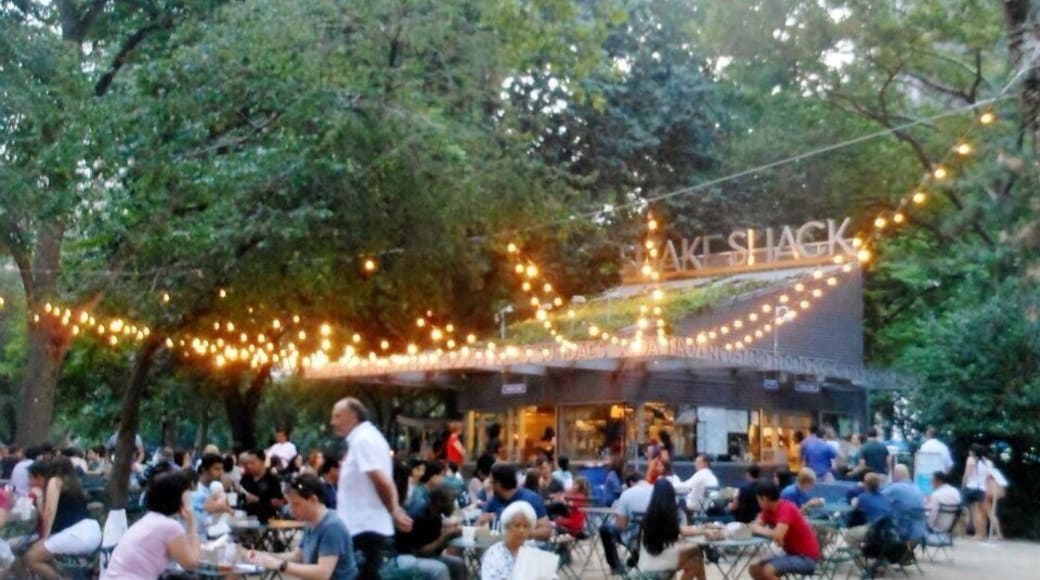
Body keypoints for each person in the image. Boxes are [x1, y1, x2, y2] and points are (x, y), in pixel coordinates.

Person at [331, 397, 412, 579]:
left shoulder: (363, 440)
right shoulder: (368, 438)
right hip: (364, 527)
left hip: (363, 529)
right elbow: (385, 480)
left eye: (337, 416)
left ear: (353, 416)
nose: (333, 422)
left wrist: (394, 510)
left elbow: (380, 479)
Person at [249, 474, 358, 579]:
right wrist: (265, 556)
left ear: (313, 500)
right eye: (290, 504)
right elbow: (298, 556)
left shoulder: (332, 527)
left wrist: (280, 565)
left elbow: (323, 573)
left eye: (296, 504)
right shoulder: (310, 522)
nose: (291, 510)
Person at [102, 470, 201, 578]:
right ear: (179, 498)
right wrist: (192, 523)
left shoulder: (150, 520)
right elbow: (191, 563)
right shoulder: (170, 527)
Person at [25, 458, 103, 580]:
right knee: (45, 556)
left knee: (31, 557)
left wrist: (44, 538)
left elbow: (50, 512)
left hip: (77, 533)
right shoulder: (74, 484)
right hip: (93, 531)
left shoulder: (55, 481)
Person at [748, 481, 820, 579]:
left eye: (758, 499)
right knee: (755, 568)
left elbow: (777, 535)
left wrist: (761, 530)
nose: (758, 502)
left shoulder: (786, 508)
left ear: (764, 499)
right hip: (791, 554)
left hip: (806, 558)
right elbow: (753, 526)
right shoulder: (768, 510)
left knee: (768, 570)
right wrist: (766, 531)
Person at [636, 479, 707, 579]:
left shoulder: (649, 514)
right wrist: (705, 531)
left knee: (696, 559)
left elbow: (679, 530)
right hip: (661, 561)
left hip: (647, 561)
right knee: (696, 556)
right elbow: (682, 531)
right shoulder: (669, 514)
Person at [395, 484, 466, 580]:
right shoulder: (419, 516)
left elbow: (436, 551)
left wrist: (451, 535)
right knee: (440, 569)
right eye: (451, 502)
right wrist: (445, 536)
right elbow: (420, 552)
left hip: (425, 556)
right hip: (406, 557)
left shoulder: (436, 516)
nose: (453, 506)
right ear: (439, 502)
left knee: (458, 563)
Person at [599, 471, 654, 574]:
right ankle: (633, 559)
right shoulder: (657, 490)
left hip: (634, 536)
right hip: (654, 536)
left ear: (631, 483)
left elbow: (621, 525)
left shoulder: (627, 494)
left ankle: (615, 565)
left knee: (605, 529)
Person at [479, 464, 552, 540]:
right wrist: (482, 523)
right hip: (498, 548)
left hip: (525, 548)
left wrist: (523, 533)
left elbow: (546, 531)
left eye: (491, 482)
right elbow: (477, 528)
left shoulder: (531, 499)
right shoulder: (493, 501)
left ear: (498, 484)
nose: (489, 485)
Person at [480, 500, 538, 580]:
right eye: (517, 525)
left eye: (526, 526)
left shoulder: (534, 552)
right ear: (506, 527)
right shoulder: (494, 554)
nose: (522, 531)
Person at [843, 473, 892, 547]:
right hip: (887, 531)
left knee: (848, 535)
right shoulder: (885, 498)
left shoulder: (863, 497)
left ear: (865, 484)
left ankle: (859, 557)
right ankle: (865, 554)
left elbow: (853, 506)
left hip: (873, 531)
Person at [191, 453, 233, 536]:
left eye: (222, 469)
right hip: (199, 533)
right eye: (217, 469)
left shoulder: (218, 486)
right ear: (204, 470)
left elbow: (229, 510)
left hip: (217, 532)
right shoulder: (195, 489)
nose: (221, 472)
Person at [883, 464, 927, 544]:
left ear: (896, 475)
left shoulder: (894, 488)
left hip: (902, 529)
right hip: (919, 530)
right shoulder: (918, 488)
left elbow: (878, 498)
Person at [240, 449, 286, 523]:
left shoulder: (272, 479)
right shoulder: (245, 479)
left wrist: (258, 500)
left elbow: (279, 502)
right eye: (247, 463)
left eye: (252, 463)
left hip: (266, 519)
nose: (249, 466)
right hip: (246, 518)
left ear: (262, 461)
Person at [961, 443, 992, 540]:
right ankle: (982, 533)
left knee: (974, 512)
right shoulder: (986, 462)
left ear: (973, 451)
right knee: (981, 512)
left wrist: (963, 484)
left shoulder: (971, 460)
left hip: (972, 487)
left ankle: (976, 534)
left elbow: (967, 474)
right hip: (982, 488)